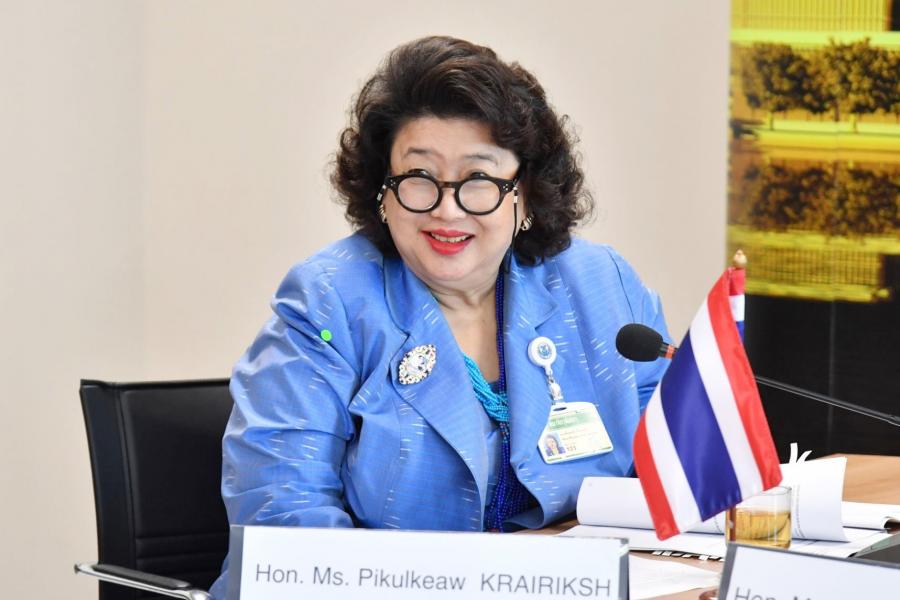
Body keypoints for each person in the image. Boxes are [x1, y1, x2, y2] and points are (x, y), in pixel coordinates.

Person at [209, 35, 668, 597]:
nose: (447, 210)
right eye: (419, 178)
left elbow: (676, 476)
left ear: (523, 191)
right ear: (383, 193)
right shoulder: (328, 300)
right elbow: (282, 516)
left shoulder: (600, 286)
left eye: (479, 180)